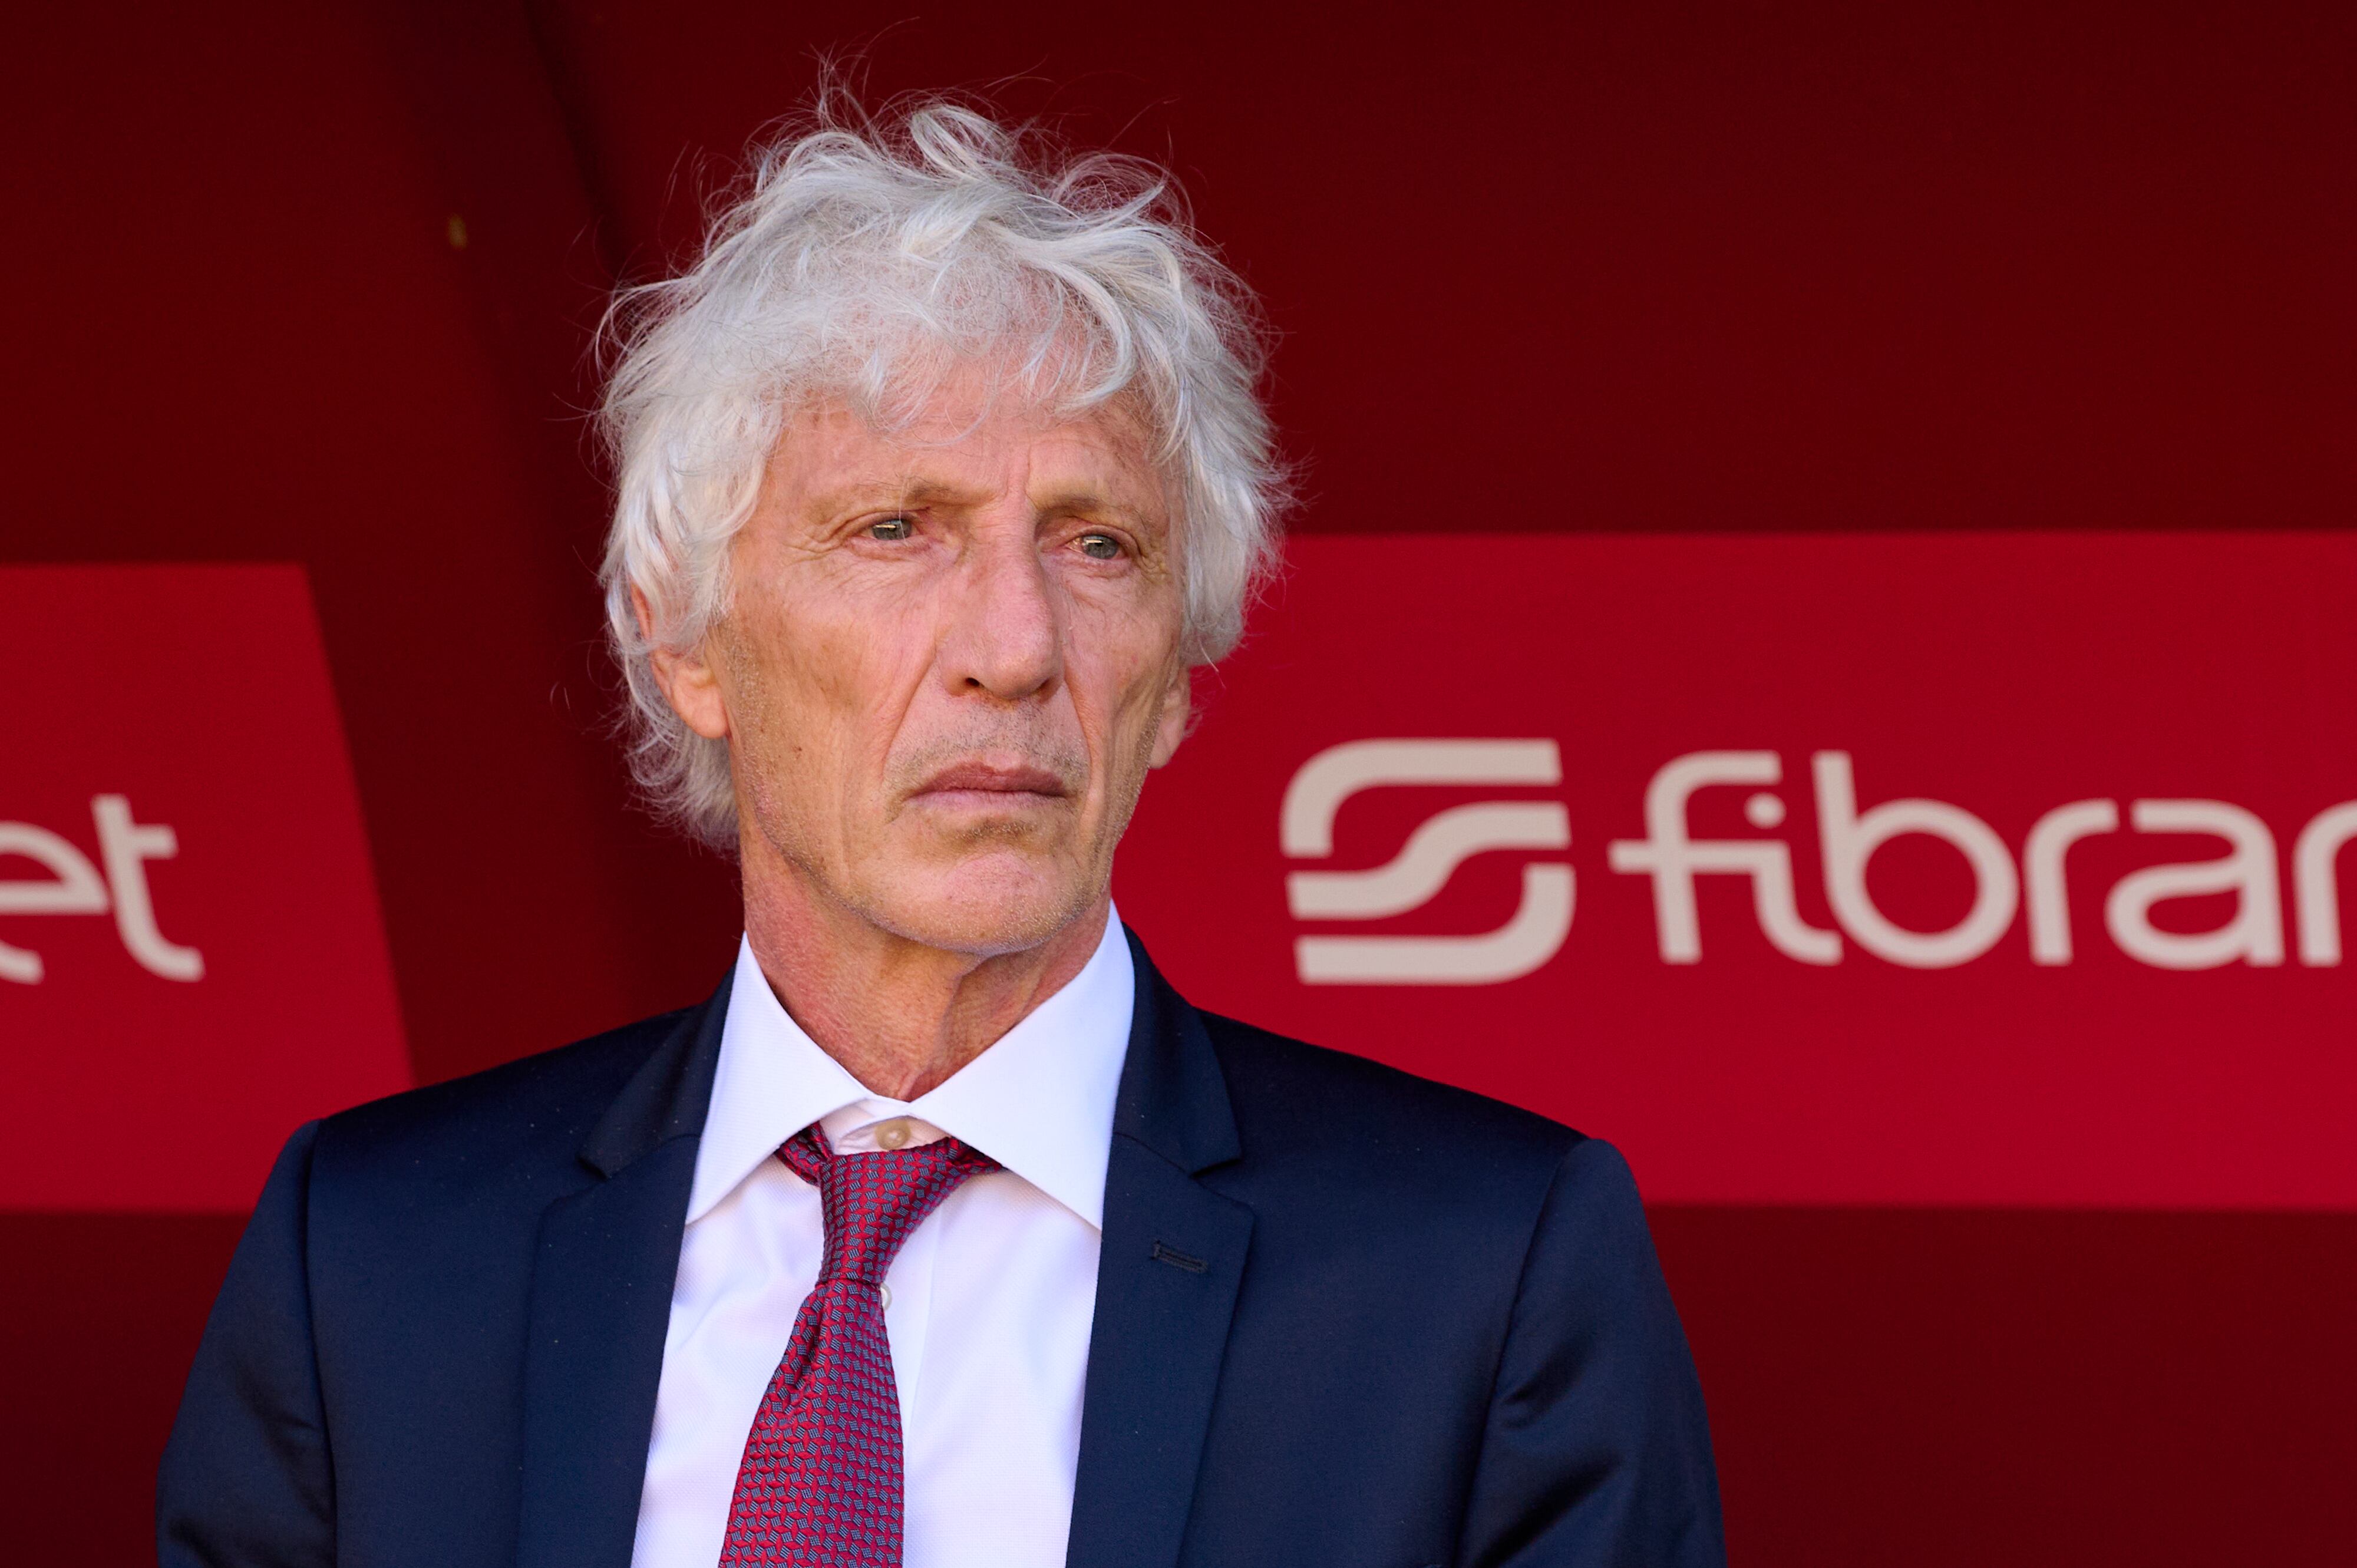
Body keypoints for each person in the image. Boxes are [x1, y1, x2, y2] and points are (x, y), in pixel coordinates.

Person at [157, 99, 1724, 1568]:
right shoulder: (367, 1264)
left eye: (1098, 544)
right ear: (684, 639)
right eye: (895, 530)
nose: (1016, 645)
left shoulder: (1486, 1273)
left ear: (1177, 676)